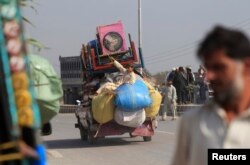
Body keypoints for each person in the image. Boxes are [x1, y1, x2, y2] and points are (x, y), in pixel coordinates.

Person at [171, 25, 250, 165]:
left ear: (246, 66)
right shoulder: (192, 122)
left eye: (219, 67)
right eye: (208, 68)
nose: (209, 76)